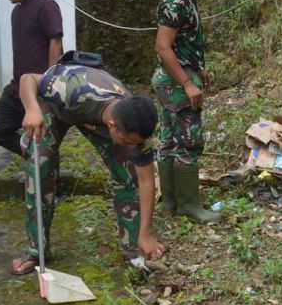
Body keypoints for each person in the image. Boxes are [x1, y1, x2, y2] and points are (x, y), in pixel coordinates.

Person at [11, 57, 166, 274]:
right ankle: (37, 251)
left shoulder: (135, 123)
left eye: (135, 143)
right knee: (40, 165)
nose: (133, 146)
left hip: (95, 117)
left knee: (128, 172)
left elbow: (146, 180)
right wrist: (31, 109)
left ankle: (133, 249)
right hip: (56, 105)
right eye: (127, 141)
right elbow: (28, 79)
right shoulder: (71, 87)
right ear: (112, 126)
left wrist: (146, 233)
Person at [152, 0, 222, 225]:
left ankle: (170, 203)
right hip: (176, 81)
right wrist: (186, 82)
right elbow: (163, 47)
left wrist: (198, 68)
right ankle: (189, 206)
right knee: (189, 143)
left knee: (169, 140)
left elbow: (183, 42)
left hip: (174, 77)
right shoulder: (176, 2)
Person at [0, 0, 63, 157]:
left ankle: (43, 162)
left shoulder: (45, 5)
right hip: (18, 88)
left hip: (39, 88)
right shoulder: (17, 12)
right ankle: (34, 156)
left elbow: (55, 41)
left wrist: (49, 83)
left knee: (43, 136)